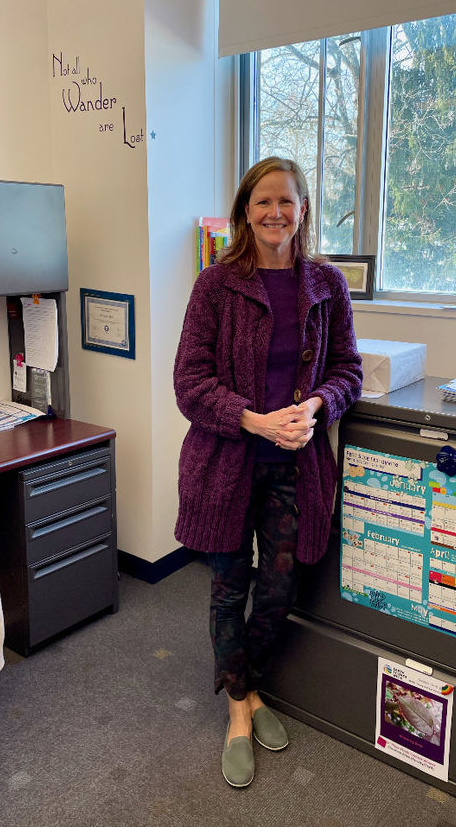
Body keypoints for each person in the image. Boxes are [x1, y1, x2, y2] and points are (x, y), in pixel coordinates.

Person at [173, 156, 363, 787]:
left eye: (287, 201)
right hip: (227, 465)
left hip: (295, 467)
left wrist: (314, 406)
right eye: (263, 202)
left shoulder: (326, 286)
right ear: (244, 213)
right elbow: (189, 385)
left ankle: (246, 685)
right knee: (229, 587)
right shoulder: (216, 285)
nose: (275, 212)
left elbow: (348, 373)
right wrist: (254, 420)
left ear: (303, 209)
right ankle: (238, 709)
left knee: (279, 590)